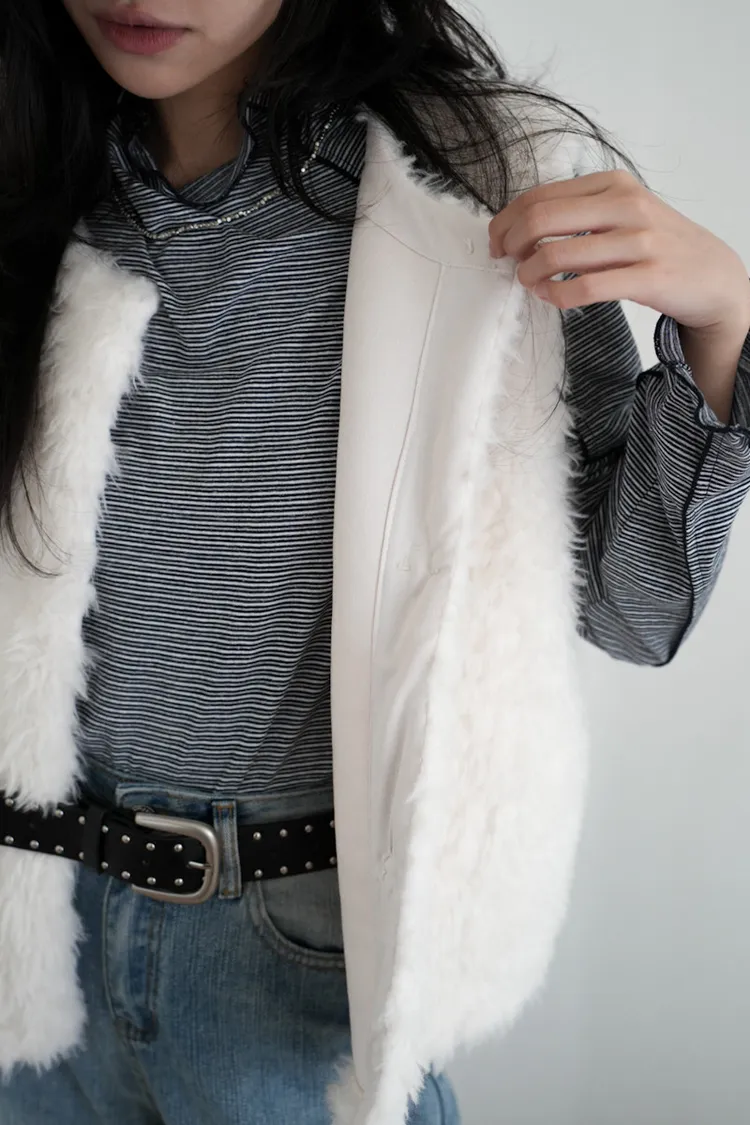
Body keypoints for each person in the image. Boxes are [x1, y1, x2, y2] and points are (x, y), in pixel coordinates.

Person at [0, 1, 748, 1123]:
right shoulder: (37, 175)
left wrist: (722, 329)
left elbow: (634, 614)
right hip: (34, 944)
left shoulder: (483, 192)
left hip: (299, 963)